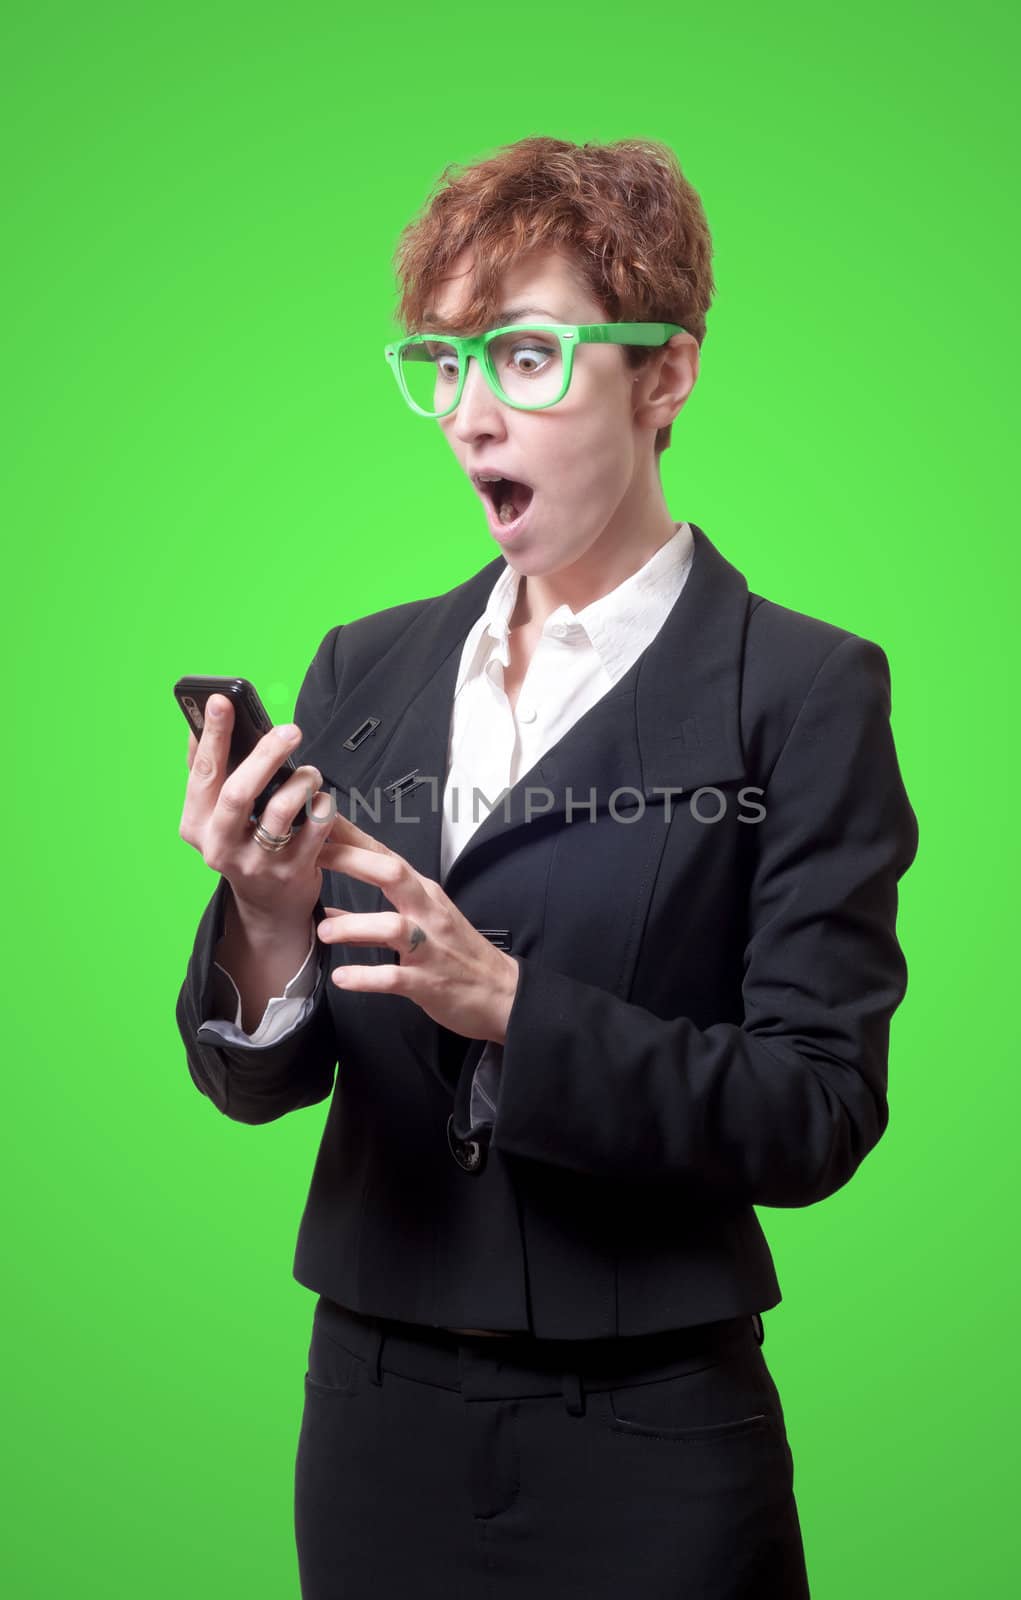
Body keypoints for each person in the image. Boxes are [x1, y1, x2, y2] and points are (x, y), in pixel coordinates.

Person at [176, 136, 919, 1599]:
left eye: (523, 357)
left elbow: (817, 1109)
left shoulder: (804, 690)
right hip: (373, 1417)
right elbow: (258, 1078)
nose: (468, 417)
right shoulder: (367, 666)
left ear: (666, 376)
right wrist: (265, 924)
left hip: (653, 1433)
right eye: (445, 364)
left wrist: (517, 1005)